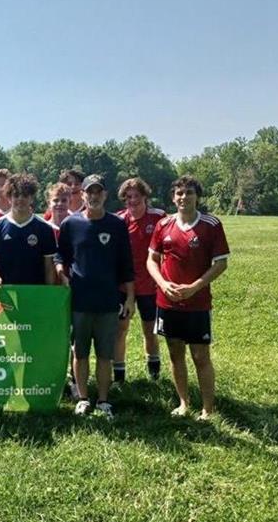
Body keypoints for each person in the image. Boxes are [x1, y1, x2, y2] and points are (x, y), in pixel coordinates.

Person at [147, 176, 229, 421]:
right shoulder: (164, 225)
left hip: (198, 303)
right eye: (179, 193)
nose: (184, 197)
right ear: (173, 197)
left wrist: (195, 286)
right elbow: (151, 260)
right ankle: (184, 403)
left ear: (197, 196)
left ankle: (207, 409)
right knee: (174, 353)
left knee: (200, 356)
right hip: (167, 302)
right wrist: (162, 283)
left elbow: (221, 263)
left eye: (189, 193)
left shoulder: (211, 225)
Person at [56, 174, 135, 420]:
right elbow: (62, 256)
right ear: (83, 194)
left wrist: (130, 297)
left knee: (104, 354)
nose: (94, 196)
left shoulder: (117, 225)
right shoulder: (71, 224)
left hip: (108, 301)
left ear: (105, 195)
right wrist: (60, 271)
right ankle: (82, 398)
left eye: (98, 191)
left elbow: (126, 264)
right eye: (90, 192)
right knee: (79, 353)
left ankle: (103, 400)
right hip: (80, 300)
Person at [113, 178, 166, 383]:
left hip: (149, 286)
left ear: (145, 196)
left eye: (136, 196)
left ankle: (154, 375)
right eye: (128, 197)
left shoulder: (159, 217)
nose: (132, 200)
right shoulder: (119, 220)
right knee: (120, 329)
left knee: (149, 330)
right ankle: (119, 378)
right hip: (123, 286)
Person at [0, 173, 57, 286]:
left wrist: (50, 293)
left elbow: (49, 266)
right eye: (16, 195)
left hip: (35, 293)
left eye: (25, 195)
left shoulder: (44, 228)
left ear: (31, 198)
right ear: (9, 198)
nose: (20, 199)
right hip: (6, 293)